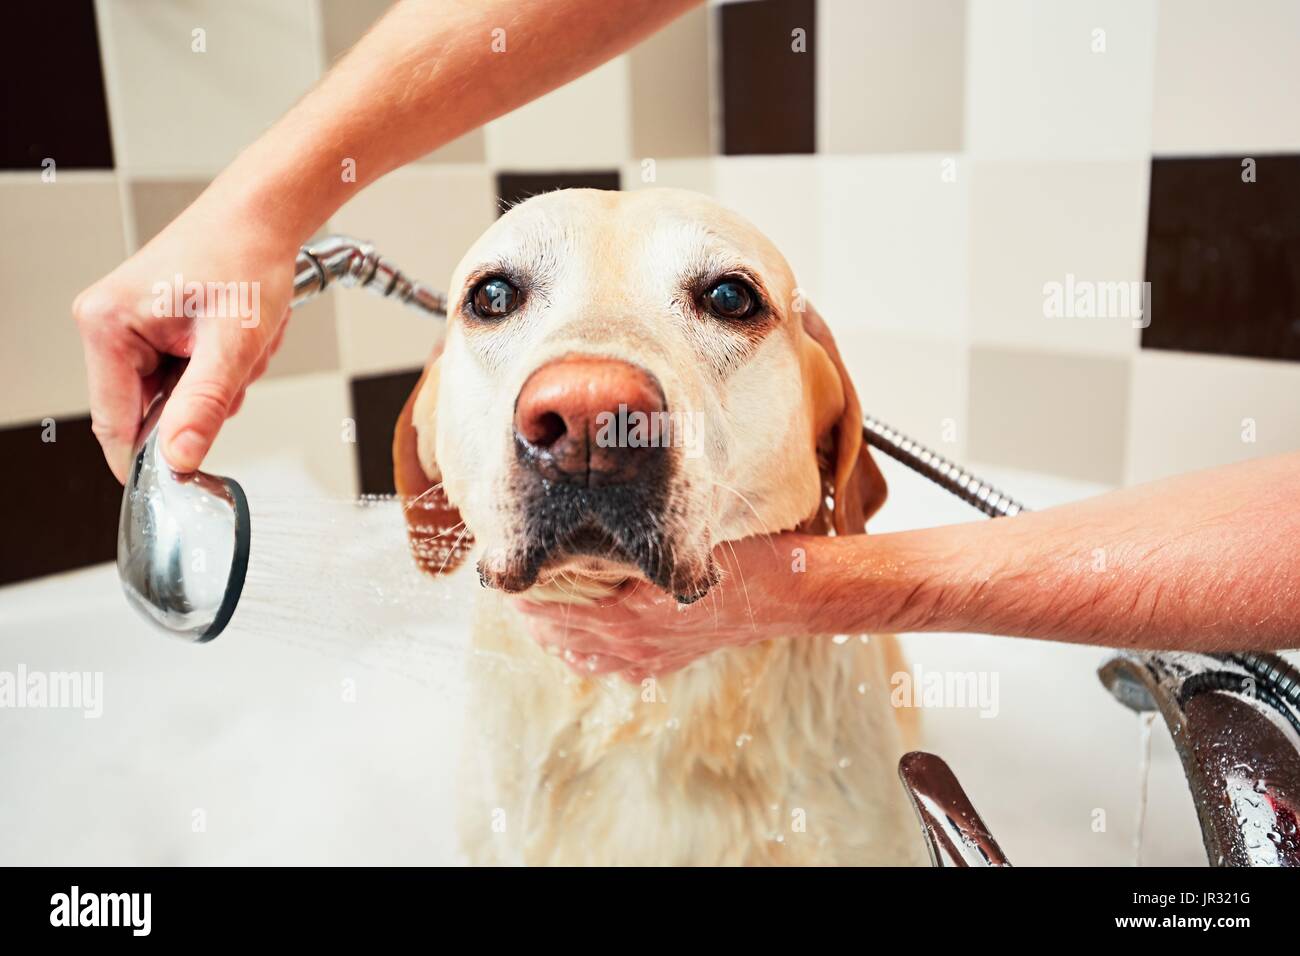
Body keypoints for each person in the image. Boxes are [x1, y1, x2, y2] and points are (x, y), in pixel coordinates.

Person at [74, 0, 1298, 676]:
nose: (592, 403)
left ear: (836, 449)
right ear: (427, 466)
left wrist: (814, 592)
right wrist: (261, 203)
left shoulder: (842, 511)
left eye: (723, 303)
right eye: (498, 302)